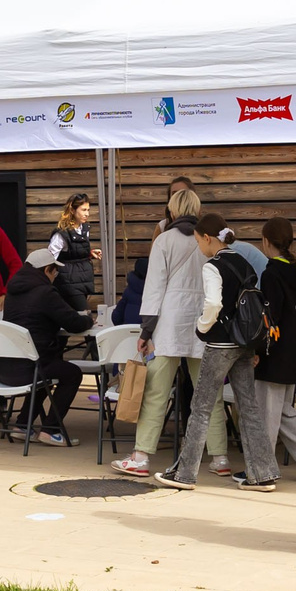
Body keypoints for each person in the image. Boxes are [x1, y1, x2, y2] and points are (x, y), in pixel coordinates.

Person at [156, 216, 280, 491]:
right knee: (249, 409)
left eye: (199, 240)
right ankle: (262, 474)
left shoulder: (213, 266)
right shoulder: (242, 261)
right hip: (244, 343)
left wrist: (202, 327)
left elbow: (213, 303)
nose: (199, 245)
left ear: (207, 238)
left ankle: (184, 474)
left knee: (200, 408)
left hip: (220, 344)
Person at [114, 188, 229, 478]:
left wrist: (146, 329)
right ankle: (220, 457)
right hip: (204, 324)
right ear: (198, 210)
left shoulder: (164, 241)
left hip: (168, 324)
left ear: (173, 211)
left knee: (156, 393)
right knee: (209, 395)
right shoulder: (209, 241)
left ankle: (141, 458)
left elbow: (153, 289)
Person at [0, 246, 92, 446]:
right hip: (28, 368)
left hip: (2, 367)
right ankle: (51, 430)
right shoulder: (45, 292)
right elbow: (74, 323)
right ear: (47, 270)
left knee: (46, 370)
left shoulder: (12, 291)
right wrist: (89, 319)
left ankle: (22, 426)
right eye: (55, 270)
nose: (56, 275)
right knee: (71, 373)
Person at [250, 219, 296, 472]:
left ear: (265, 241)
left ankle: (261, 470)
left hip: (272, 354)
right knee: (282, 413)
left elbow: (268, 318)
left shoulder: (271, 274)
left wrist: (256, 350)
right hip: (292, 352)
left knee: (267, 416)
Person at [47, 194, 99, 278]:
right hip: (67, 282)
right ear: (72, 210)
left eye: (88, 210)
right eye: (84, 210)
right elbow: (50, 259)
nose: (87, 214)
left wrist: (88, 254)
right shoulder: (62, 233)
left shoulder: (85, 229)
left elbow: (75, 254)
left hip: (85, 280)